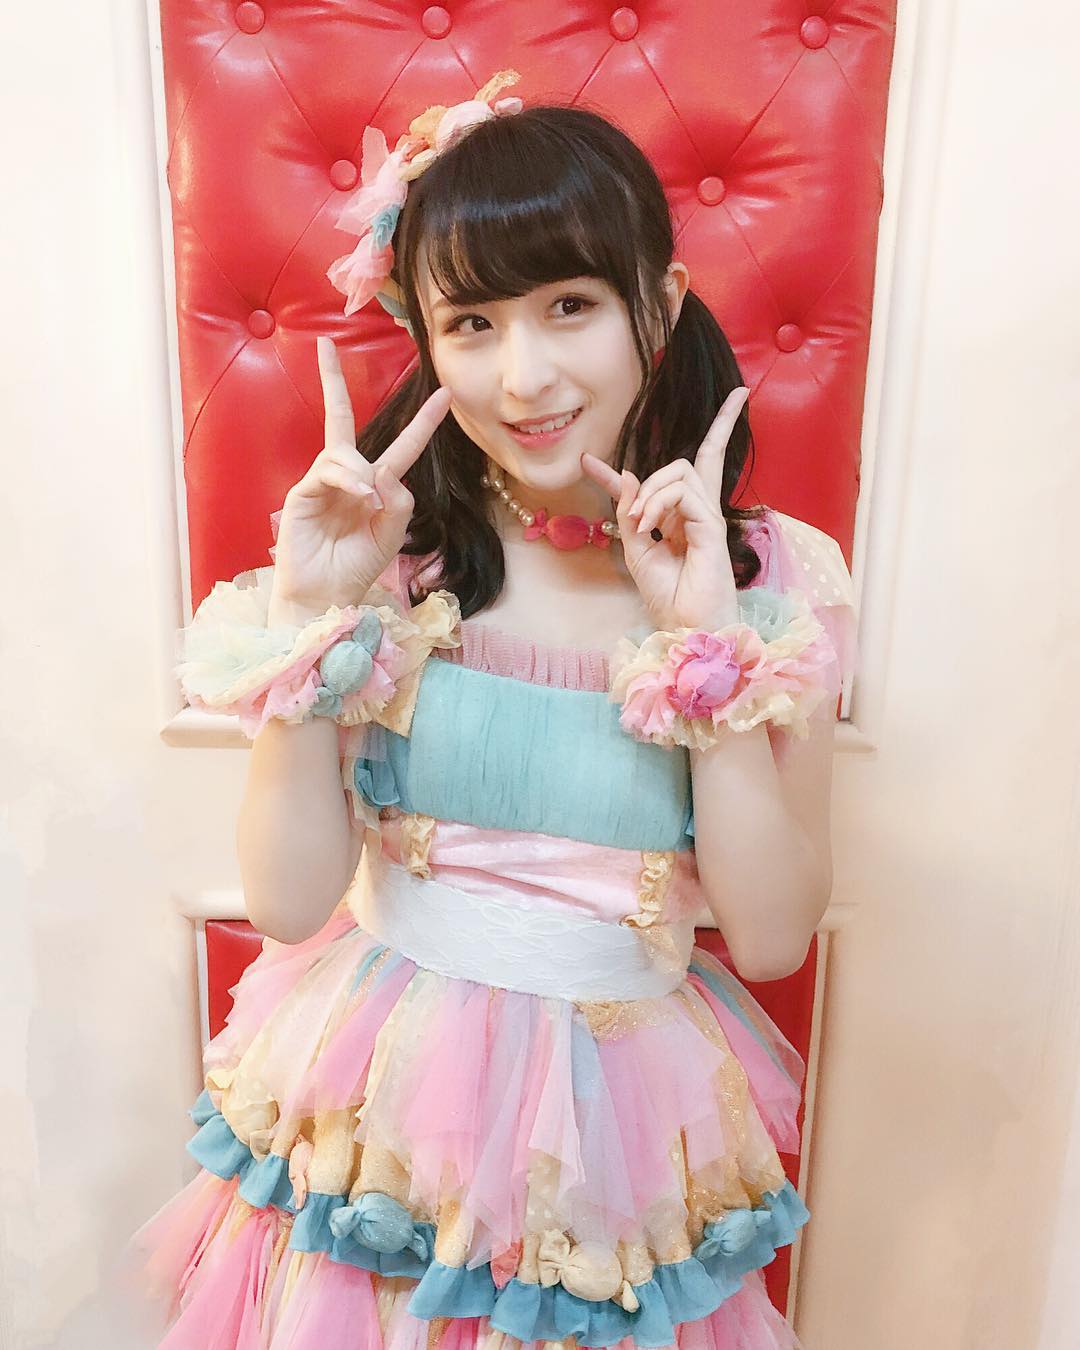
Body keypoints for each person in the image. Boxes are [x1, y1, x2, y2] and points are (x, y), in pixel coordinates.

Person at [126, 69, 857, 1350]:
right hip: (373, 1099)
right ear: (426, 340)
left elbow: (774, 933)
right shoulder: (396, 562)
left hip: (616, 1125)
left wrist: (704, 644)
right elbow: (289, 903)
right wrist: (310, 615)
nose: (523, 376)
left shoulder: (774, 579)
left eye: (571, 305)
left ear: (659, 304)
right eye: (471, 323)